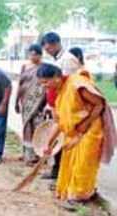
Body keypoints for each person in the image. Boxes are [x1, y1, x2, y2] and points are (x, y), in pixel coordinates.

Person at [37, 63, 117, 210]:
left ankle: (80, 196)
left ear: (56, 77)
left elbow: (99, 104)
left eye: (45, 82)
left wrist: (84, 127)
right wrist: (49, 143)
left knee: (84, 164)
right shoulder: (60, 92)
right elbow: (60, 123)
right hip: (73, 133)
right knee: (70, 163)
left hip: (91, 130)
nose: (44, 86)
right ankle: (76, 192)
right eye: (41, 83)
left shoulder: (76, 84)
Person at [41, 32, 83, 181]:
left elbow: (69, 86)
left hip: (69, 107)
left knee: (66, 139)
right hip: (58, 105)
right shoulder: (56, 59)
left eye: (48, 48)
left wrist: (57, 106)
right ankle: (57, 171)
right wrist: (50, 104)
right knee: (58, 137)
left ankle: (64, 174)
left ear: (56, 43)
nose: (47, 51)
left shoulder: (68, 60)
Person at [15, 44, 46, 166]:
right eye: (31, 54)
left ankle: (39, 155)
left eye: (35, 54)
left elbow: (45, 86)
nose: (33, 56)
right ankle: (28, 154)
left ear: (40, 55)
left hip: (39, 102)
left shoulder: (44, 67)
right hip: (25, 102)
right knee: (27, 127)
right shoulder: (25, 66)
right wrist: (16, 101)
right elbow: (20, 84)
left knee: (38, 128)